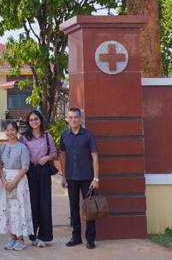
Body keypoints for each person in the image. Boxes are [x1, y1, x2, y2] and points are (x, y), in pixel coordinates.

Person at [59, 107, 99, 250]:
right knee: (73, 207)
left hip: (87, 177)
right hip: (71, 177)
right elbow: (62, 156)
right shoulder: (64, 135)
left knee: (89, 208)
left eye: (76, 117)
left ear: (80, 118)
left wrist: (96, 178)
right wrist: (63, 176)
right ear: (67, 119)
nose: (73, 120)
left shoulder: (88, 135)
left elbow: (95, 157)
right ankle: (76, 237)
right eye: (70, 117)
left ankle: (90, 239)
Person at [20, 109, 57, 248]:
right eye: (31, 120)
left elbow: (54, 153)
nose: (34, 122)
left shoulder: (47, 136)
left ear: (40, 120)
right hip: (29, 171)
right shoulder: (24, 138)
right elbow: (20, 153)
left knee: (45, 203)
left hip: (44, 171)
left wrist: (46, 158)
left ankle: (44, 236)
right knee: (32, 203)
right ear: (28, 122)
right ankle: (32, 235)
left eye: (36, 119)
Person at [0, 121, 33, 251]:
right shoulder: (3, 148)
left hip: (19, 180)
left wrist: (13, 183)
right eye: (7, 130)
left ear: (16, 131)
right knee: (8, 209)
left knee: (18, 209)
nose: (10, 132)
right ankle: (12, 238)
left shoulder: (22, 147)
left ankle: (21, 239)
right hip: (6, 182)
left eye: (12, 130)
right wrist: (4, 181)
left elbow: (25, 167)